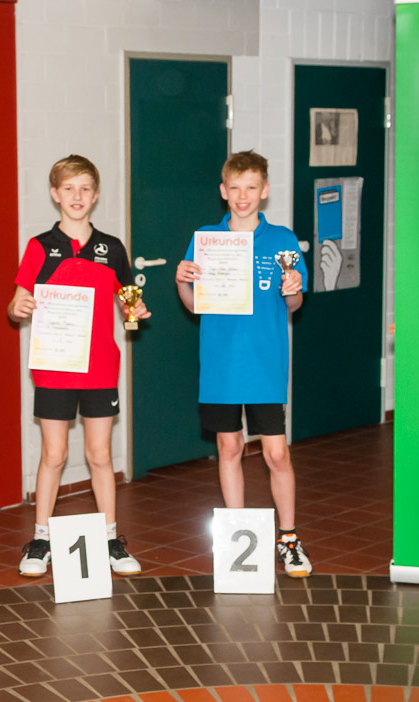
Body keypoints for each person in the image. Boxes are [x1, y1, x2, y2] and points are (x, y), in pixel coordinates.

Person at [6, 154, 148, 578]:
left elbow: (129, 303)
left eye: (85, 188)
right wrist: (19, 307)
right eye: (68, 188)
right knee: (54, 454)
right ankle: (40, 538)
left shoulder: (113, 248)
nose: (77, 196)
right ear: (55, 194)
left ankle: (110, 539)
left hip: (100, 367)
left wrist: (137, 311)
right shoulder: (39, 247)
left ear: (96, 195)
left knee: (99, 455)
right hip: (54, 366)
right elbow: (16, 304)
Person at [174, 150, 313, 578]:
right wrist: (182, 281)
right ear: (223, 191)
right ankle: (237, 538)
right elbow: (194, 305)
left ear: (264, 191)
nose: (242, 196)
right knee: (229, 448)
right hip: (221, 364)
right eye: (234, 188)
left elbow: (294, 304)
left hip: (265, 363)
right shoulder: (206, 239)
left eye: (251, 187)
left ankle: (288, 539)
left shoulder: (283, 240)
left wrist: (294, 288)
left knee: (276, 453)